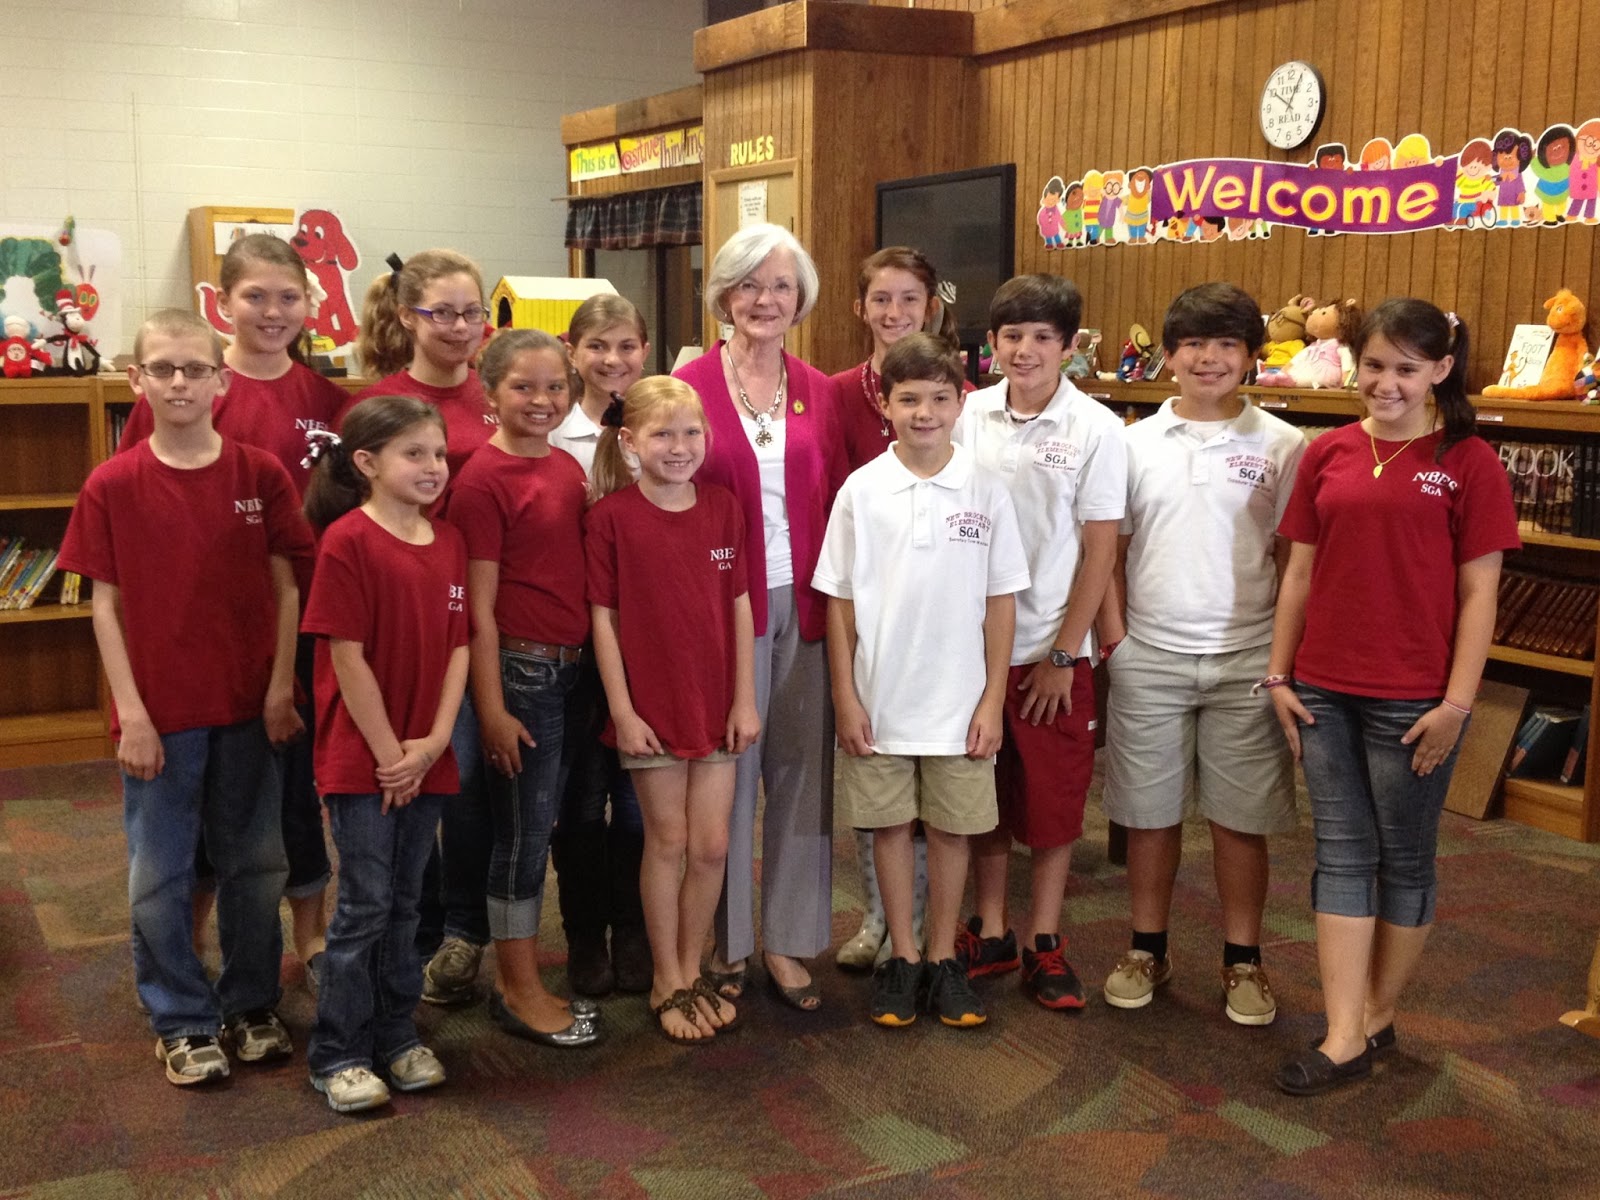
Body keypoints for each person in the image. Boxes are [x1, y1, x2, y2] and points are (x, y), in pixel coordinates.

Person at [1267, 300, 1518, 1095]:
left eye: (1407, 368)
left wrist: (1457, 705)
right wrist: (1279, 674)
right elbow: (1298, 572)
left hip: (1417, 700)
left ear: (1440, 371)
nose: (1388, 383)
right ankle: (1344, 1032)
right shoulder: (1329, 452)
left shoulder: (1469, 460)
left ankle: (1377, 1012)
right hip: (1323, 689)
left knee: (1405, 858)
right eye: (1375, 365)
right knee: (1340, 852)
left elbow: (1481, 595)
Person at [57, 308, 313, 1086]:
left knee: (257, 863)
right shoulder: (113, 482)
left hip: (249, 706)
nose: (178, 382)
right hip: (158, 718)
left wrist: (279, 686)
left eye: (194, 369)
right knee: (161, 871)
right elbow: (103, 604)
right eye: (162, 369)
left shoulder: (259, 473)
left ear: (220, 380)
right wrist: (130, 713)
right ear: (136, 380)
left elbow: (286, 585)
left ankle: (248, 1003)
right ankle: (180, 1014)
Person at [117, 235, 347, 984]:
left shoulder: (326, 400)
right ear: (224, 303)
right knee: (209, 795)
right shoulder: (183, 390)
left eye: (289, 296)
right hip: (206, 633)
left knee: (295, 788)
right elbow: (135, 507)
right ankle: (194, 939)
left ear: (310, 305)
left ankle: (305, 937)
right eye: (255, 296)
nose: (273, 311)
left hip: (305, 622)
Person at [1097, 283, 1306, 1026]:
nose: (1207, 358)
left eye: (1225, 345)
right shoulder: (1131, 443)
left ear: (1251, 356)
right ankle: (1146, 947)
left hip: (1246, 659)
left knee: (1239, 819)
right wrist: (1117, 642)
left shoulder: (1284, 445)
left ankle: (1243, 960)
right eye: (1192, 343)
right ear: (1169, 353)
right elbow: (1108, 554)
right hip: (1148, 653)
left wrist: (1279, 662)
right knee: (1148, 814)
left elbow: (1293, 562)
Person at [815, 333, 1029, 1029]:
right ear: (884, 402)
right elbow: (839, 600)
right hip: (880, 699)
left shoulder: (987, 489)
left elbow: (1002, 602)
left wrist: (993, 700)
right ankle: (901, 956)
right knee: (888, 827)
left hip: (960, 701)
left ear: (962, 402)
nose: (925, 412)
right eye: (909, 399)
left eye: (940, 398)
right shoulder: (862, 490)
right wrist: (846, 697)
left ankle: (943, 958)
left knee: (952, 831)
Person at [673, 223, 847, 1010]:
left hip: (806, 600)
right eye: (748, 285)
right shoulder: (689, 387)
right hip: (719, 605)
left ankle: (786, 938)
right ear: (723, 295)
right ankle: (728, 940)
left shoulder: (821, 388)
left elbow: (841, 501)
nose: (764, 300)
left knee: (801, 775)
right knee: (728, 777)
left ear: (800, 298)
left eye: (779, 286)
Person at [952, 274, 1126, 1010]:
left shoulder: (1097, 429)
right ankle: (990, 927)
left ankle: (1044, 939)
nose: (1025, 351)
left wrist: (1063, 653)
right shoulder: (966, 414)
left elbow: (1098, 553)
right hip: (974, 647)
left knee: (1055, 805)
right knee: (983, 796)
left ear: (1070, 347)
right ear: (992, 344)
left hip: (1054, 649)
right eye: (1012, 336)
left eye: (1042, 338)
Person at [300, 395, 470, 1113]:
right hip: (362, 759)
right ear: (367, 464)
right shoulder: (348, 540)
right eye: (415, 455)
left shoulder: (451, 541)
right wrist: (389, 756)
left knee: (407, 905)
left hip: (423, 756)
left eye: (438, 454)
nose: (433, 467)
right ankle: (339, 1049)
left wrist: (431, 744)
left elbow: (459, 647)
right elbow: (347, 657)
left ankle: (396, 1033)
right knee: (364, 906)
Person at [586, 376, 761, 1042]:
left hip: (717, 702)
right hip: (651, 707)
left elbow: (740, 606)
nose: (680, 446)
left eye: (691, 433)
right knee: (669, 840)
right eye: (662, 434)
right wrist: (623, 710)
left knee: (714, 845)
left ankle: (690, 969)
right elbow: (603, 620)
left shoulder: (721, 507)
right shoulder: (610, 519)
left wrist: (744, 696)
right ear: (630, 443)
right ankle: (666, 976)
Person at [443, 329, 599, 1047]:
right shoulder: (481, 479)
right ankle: (517, 984)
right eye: (523, 387)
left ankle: (526, 969)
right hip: (521, 674)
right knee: (522, 838)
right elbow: (476, 608)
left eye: (554, 387)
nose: (541, 400)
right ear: (490, 391)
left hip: (573, 669)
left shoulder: (568, 468)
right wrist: (493, 709)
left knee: (549, 827)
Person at [350, 249, 496, 1000]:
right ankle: (421, 925)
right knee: (409, 775)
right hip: (406, 624)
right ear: (408, 316)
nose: (462, 326)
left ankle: (464, 930)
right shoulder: (382, 403)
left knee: (462, 778)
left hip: (482, 621)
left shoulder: (499, 394)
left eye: (474, 312)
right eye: (444, 312)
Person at [827, 246, 962, 971]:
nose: (895, 312)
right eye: (881, 298)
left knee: (943, 797)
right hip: (866, 609)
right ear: (861, 307)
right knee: (873, 778)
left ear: (929, 306)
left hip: (937, 620)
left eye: (909, 299)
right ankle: (879, 921)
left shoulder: (948, 392)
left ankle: (927, 931)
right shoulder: (836, 392)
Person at [549, 294, 653, 995]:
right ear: (572, 350)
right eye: (598, 347)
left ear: (645, 348)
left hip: (650, 644)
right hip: (573, 645)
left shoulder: (660, 424)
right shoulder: (554, 433)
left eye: (626, 346)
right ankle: (585, 935)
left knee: (642, 800)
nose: (612, 360)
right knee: (581, 803)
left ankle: (636, 931)